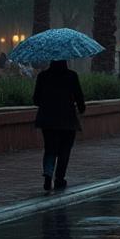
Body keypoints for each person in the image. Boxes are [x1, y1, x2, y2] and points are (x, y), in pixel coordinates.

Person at [33, 59, 86, 192]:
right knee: (64, 150)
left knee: (50, 148)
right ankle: (59, 178)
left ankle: (48, 173)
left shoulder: (43, 76)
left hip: (48, 119)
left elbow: (36, 99)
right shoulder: (72, 76)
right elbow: (79, 97)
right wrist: (81, 108)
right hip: (67, 119)